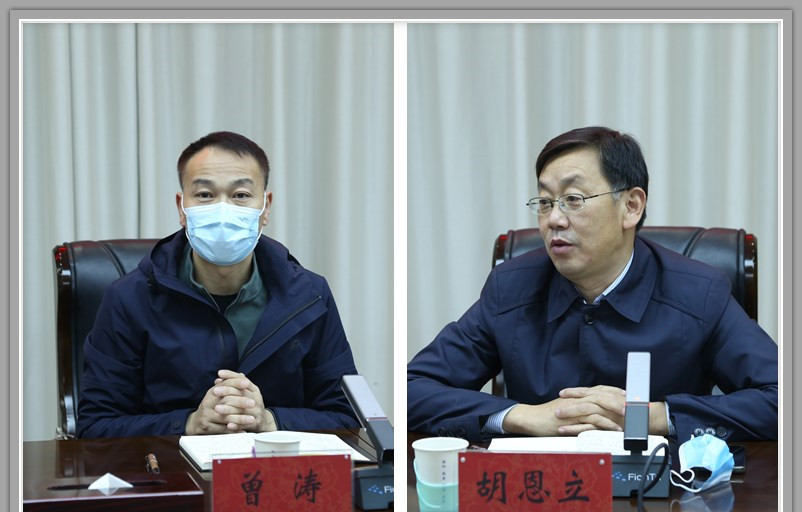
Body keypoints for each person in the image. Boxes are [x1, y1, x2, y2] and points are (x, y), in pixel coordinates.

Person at [407, 126, 778, 444]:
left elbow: (780, 398)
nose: (554, 219)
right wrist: (523, 416)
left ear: (631, 206)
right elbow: (414, 388)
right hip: (539, 491)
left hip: (661, 494)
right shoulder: (512, 287)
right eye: (545, 202)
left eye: (573, 199)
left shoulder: (698, 292)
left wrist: (653, 416)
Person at [78, 131, 359, 438]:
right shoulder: (128, 299)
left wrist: (270, 421)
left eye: (241, 195)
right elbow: (95, 427)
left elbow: (346, 418)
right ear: (181, 208)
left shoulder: (310, 296)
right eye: (204, 195)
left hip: (276, 465)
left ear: (265, 207)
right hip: (172, 465)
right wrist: (188, 424)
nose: (223, 209)